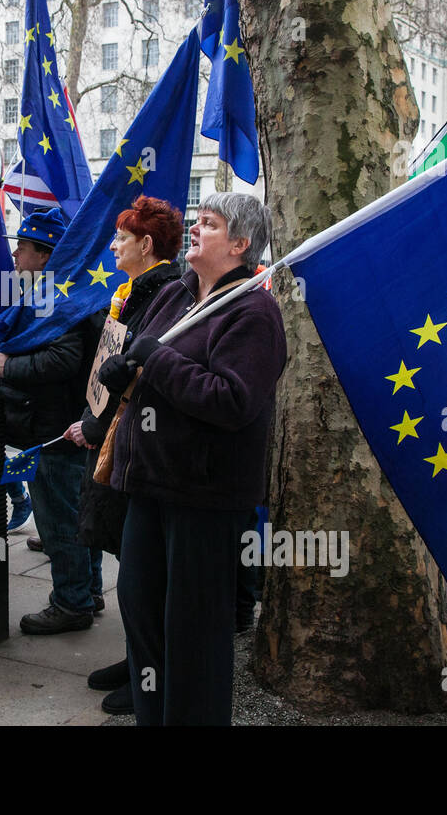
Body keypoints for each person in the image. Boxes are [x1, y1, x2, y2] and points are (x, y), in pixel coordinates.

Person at [98, 192, 286, 725]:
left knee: (193, 635)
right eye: (198, 220)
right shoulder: (178, 293)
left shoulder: (254, 310)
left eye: (210, 224)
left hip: (203, 497)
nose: (196, 230)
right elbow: (143, 353)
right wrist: (126, 372)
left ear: (241, 244)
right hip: (150, 485)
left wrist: (155, 363)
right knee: (141, 613)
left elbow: (231, 400)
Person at [63, 195, 183, 715]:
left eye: (121, 238)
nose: (112, 246)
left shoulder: (166, 295)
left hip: (134, 447)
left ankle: (148, 676)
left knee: (141, 575)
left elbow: (133, 376)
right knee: (129, 567)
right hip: (114, 438)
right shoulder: (136, 292)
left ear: (147, 245)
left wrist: (95, 424)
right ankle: (136, 661)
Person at [0, 207, 102, 634]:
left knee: (58, 522)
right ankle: (87, 593)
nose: (16, 256)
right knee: (77, 514)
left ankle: (70, 604)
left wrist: (6, 367)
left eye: (23, 248)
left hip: (52, 431)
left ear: (44, 254)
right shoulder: (56, 294)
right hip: (60, 424)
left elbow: (62, 359)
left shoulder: (54, 300)